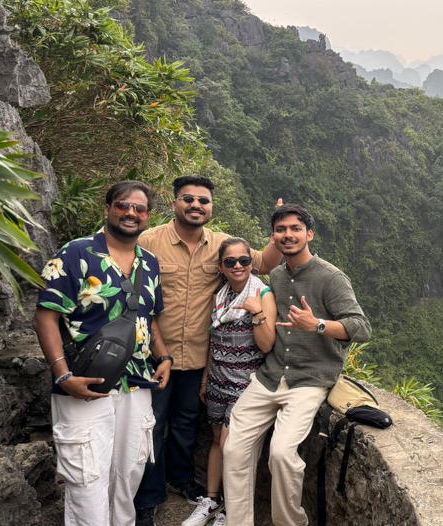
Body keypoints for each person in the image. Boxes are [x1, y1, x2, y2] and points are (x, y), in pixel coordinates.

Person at [134, 175, 283, 526]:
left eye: (203, 201)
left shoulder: (221, 245)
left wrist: (277, 232)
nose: (196, 206)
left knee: (186, 423)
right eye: (188, 199)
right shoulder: (149, 240)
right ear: (175, 203)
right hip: (155, 354)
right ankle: (149, 498)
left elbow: (262, 262)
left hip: (199, 358)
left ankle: (182, 477)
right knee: (150, 426)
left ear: (211, 207)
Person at [223, 204, 372, 526]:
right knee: (234, 449)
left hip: (310, 380)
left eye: (294, 228)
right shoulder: (275, 275)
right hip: (270, 375)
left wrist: (317, 324)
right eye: (280, 230)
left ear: (309, 234)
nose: (287, 235)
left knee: (281, 454)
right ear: (273, 237)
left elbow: (361, 328)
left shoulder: (331, 278)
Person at [33, 181, 172, 526]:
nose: (131, 213)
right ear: (108, 208)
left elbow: (149, 318)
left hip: (136, 383)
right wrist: (63, 375)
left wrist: (164, 357)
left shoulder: (150, 262)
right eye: (124, 205)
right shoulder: (76, 253)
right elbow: (45, 315)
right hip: (85, 381)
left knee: (129, 471)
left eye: (139, 209)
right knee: (87, 476)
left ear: (147, 217)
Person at [181, 238, 277, 526]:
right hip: (218, 381)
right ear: (221, 267)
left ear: (251, 263)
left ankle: (231, 512)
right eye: (230, 261)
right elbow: (214, 340)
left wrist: (257, 312)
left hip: (245, 384)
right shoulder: (220, 295)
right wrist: (206, 378)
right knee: (216, 443)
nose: (238, 266)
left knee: (230, 446)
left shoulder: (263, 293)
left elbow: (267, 345)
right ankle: (211, 500)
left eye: (244, 261)